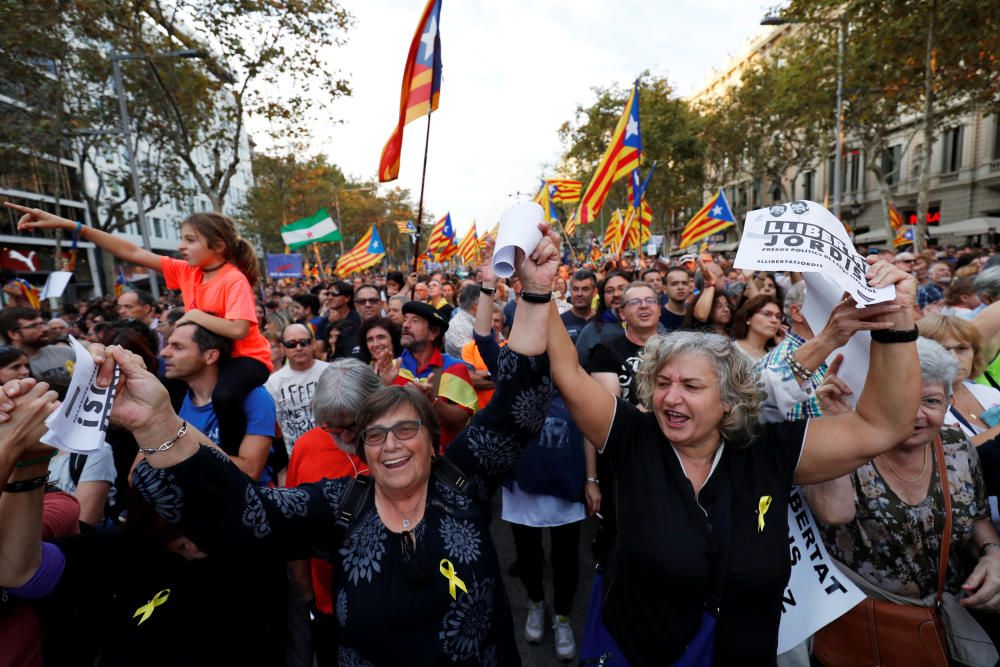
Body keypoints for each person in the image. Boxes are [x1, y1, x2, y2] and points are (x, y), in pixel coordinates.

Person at [61, 226, 562, 665]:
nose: (392, 445)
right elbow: (241, 513)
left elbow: (522, 402)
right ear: (361, 451)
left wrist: (537, 292)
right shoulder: (338, 508)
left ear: (434, 442)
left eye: (406, 429)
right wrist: (155, 422)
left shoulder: (464, 480)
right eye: (374, 434)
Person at [534, 244, 920, 664]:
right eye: (662, 383)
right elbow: (568, 373)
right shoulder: (635, 437)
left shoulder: (769, 449)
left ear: (730, 399)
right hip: (637, 650)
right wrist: (539, 288)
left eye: (692, 386)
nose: (669, 398)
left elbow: (883, 425)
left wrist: (895, 323)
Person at [7, 203, 272, 457]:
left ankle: (229, 457)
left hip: (247, 358)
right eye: (182, 238)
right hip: (211, 357)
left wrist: (194, 314)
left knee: (225, 396)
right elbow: (133, 253)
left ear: (218, 246)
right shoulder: (188, 271)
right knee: (163, 391)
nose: (181, 246)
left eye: (190, 240)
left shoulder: (233, 279)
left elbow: (238, 329)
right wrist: (72, 226)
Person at [808, 338, 1000, 663]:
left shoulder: (955, 445)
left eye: (931, 401)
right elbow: (835, 512)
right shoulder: (844, 442)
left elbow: (977, 515)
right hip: (869, 631)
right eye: (904, 398)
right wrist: (836, 425)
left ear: (949, 402)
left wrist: (993, 555)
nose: (917, 413)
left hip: (948, 622)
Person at [284, 359, 381, 667]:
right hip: (328, 605)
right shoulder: (306, 446)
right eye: (333, 427)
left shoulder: (400, 445)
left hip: (390, 603)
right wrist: (307, 597)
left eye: (354, 425)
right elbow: (293, 532)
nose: (347, 438)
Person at [162, 322, 276, 482]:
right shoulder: (172, 401)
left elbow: (250, 471)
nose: (164, 352)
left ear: (210, 356)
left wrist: (184, 449)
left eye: (178, 347)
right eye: (168, 345)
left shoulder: (254, 398)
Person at [376, 302, 478, 450]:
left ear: (434, 333)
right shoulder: (389, 368)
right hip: (397, 453)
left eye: (415, 320)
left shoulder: (454, 368)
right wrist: (383, 385)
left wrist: (432, 401)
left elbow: (461, 420)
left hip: (440, 459)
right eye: (405, 319)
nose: (406, 325)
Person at [920, 314, 1000, 445]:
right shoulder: (920, 406)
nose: (954, 359)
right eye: (942, 349)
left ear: (975, 352)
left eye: (962, 348)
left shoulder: (989, 392)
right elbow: (952, 452)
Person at [266, 323, 329, 455]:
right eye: (291, 344)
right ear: (283, 348)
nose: (298, 348)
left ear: (313, 344)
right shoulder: (273, 383)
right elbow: (275, 429)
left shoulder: (330, 371)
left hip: (332, 451)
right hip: (298, 458)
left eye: (304, 342)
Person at [0, 307, 74, 378]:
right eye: (34, 326)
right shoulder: (6, 367)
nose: (45, 329)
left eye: (42, 323)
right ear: (14, 334)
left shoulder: (66, 352)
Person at [575, 272, 628, 368]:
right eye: (609, 291)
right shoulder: (592, 330)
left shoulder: (650, 326)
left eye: (622, 289)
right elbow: (576, 369)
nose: (616, 294)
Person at [731, 294, 783, 361]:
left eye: (778, 317)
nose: (775, 320)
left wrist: (782, 346)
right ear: (748, 318)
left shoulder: (776, 353)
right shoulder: (730, 351)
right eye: (767, 314)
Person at [560, 269, 596, 344]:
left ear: (594, 292)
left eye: (585, 289)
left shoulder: (603, 319)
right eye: (575, 289)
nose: (579, 294)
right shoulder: (560, 322)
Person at [444, 284, 479, 358]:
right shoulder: (458, 326)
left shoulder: (481, 319)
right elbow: (471, 358)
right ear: (476, 304)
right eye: (486, 301)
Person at [659, 267, 690, 332]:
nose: (680, 287)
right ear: (665, 289)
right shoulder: (658, 317)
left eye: (684, 283)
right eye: (674, 284)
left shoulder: (694, 314)